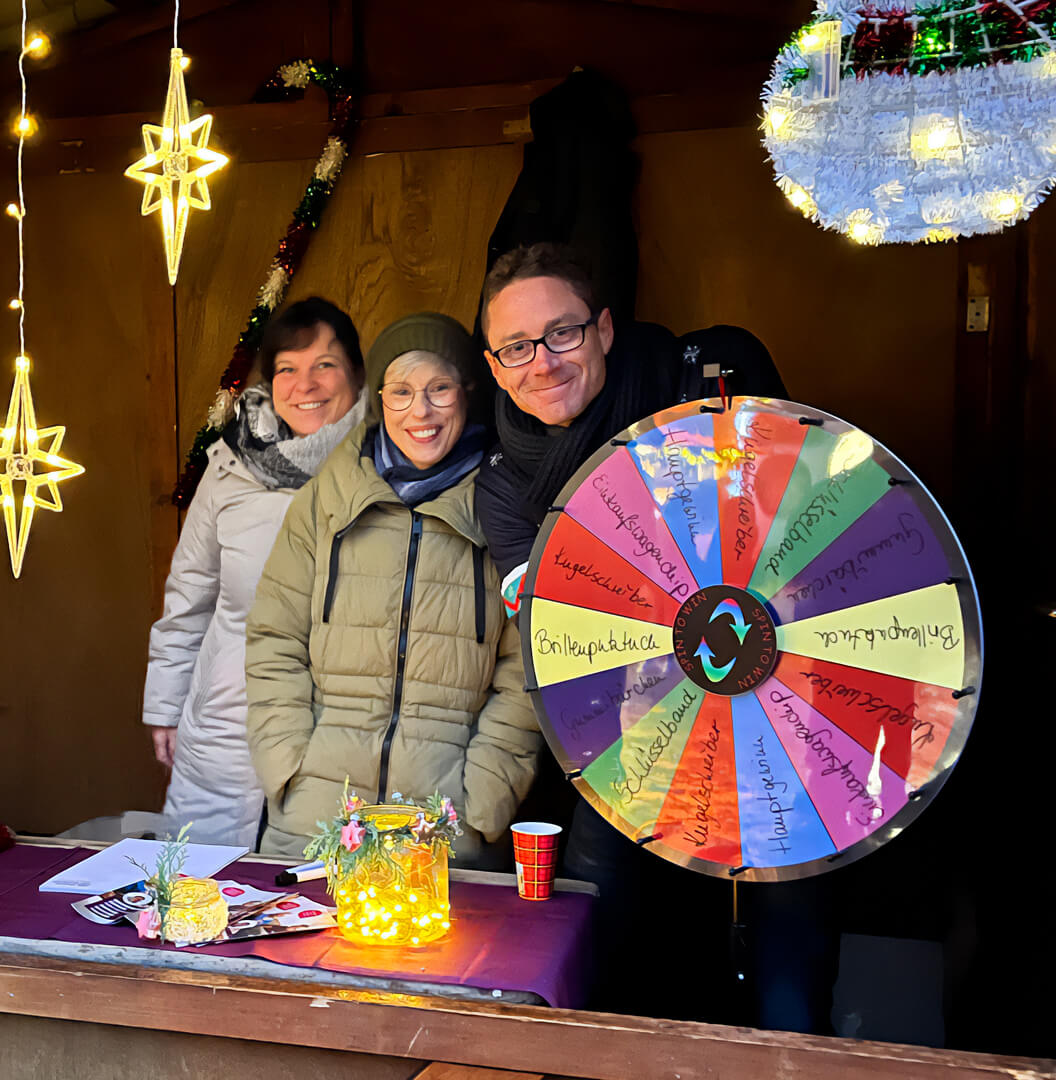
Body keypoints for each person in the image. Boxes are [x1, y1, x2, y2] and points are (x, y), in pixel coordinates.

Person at [474, 242, 822, 1026]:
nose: (542, 362)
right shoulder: (502, 477)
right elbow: (560, 630)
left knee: (789, 965)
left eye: (562, 333)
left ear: (602, 328)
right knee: (606, 939)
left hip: (778, 719)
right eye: (516, 348)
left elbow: (803, 533)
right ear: (494, 366)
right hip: (635, 731)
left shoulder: (705, 381)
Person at [245, 312, 542, 863]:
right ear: (379, 400)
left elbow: (527, 667)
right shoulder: (327, 498)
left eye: (439, 389)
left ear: (468, 392)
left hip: (447, 826)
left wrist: (483, 800)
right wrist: (289, 766)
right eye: (401, 392)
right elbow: (274, 639)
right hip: (315, 820)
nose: (420, 411)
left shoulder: (504, 507)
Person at [142, 298, 368, 849]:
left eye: (325, 365)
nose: (305, 384)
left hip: (341, 731)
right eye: (287, 368)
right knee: (205, 884)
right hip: (227, 725)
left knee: (323, 890)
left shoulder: (388, 462)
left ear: (358, 375)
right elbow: (190, 596)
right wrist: (166, 706)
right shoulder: (230, 467)